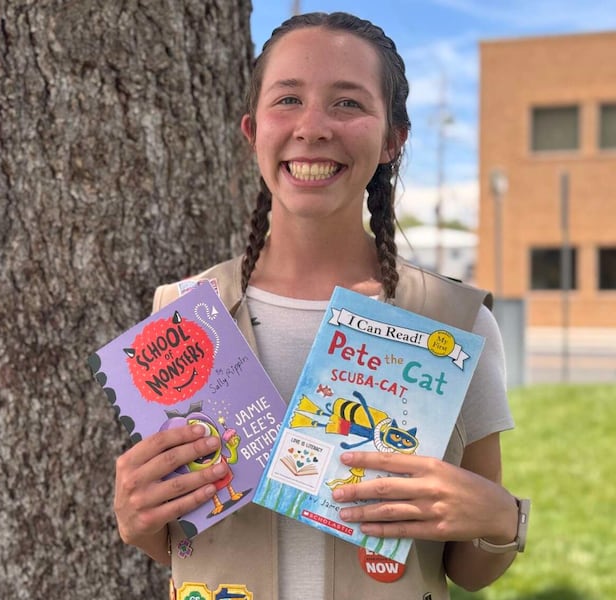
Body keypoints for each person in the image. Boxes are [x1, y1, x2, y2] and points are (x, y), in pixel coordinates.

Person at [112, 12, 527, 600]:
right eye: (288, 100)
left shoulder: (452, 324)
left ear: (392, 139)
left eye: (348, 104)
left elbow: (470, 567)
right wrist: (136, 519)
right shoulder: (184, 316)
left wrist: (502, 518)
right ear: (252, 130)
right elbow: (182, 539)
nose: (312, 127)